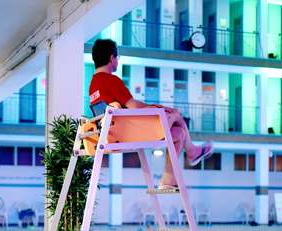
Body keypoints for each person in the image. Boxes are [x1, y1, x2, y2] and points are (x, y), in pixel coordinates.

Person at [89, 39, 213, 189]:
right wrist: (158, 108)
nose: (117, 61)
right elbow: (134, 106)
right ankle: (192, 151)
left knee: (179, 133)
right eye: (117, 57)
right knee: (175, 113)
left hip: (114, 134)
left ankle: (168, 180)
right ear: (111, 58)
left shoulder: (93, 85)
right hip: (128, 134)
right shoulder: (111, 80)